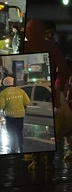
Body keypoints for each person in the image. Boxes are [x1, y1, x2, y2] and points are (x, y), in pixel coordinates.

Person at [24, 19, 69, 170]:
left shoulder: (34, 46)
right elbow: (62, 67)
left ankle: (42, 161)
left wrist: (60, 86)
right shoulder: (50, 46)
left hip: (45, 93)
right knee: (45, 130)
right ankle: (43, 161)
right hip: (45, 93)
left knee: (45, 130)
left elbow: (62, 67)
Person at [0, 77, 30, 153]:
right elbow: (27, 102)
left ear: (4, 84)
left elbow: (1, 106)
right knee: (19, 132)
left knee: (11, 133)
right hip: (20, 116)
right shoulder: (20, 91)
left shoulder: (3, 93)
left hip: (10, 116)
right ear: (13, 82)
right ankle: (21, 146)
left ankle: (13, 148)